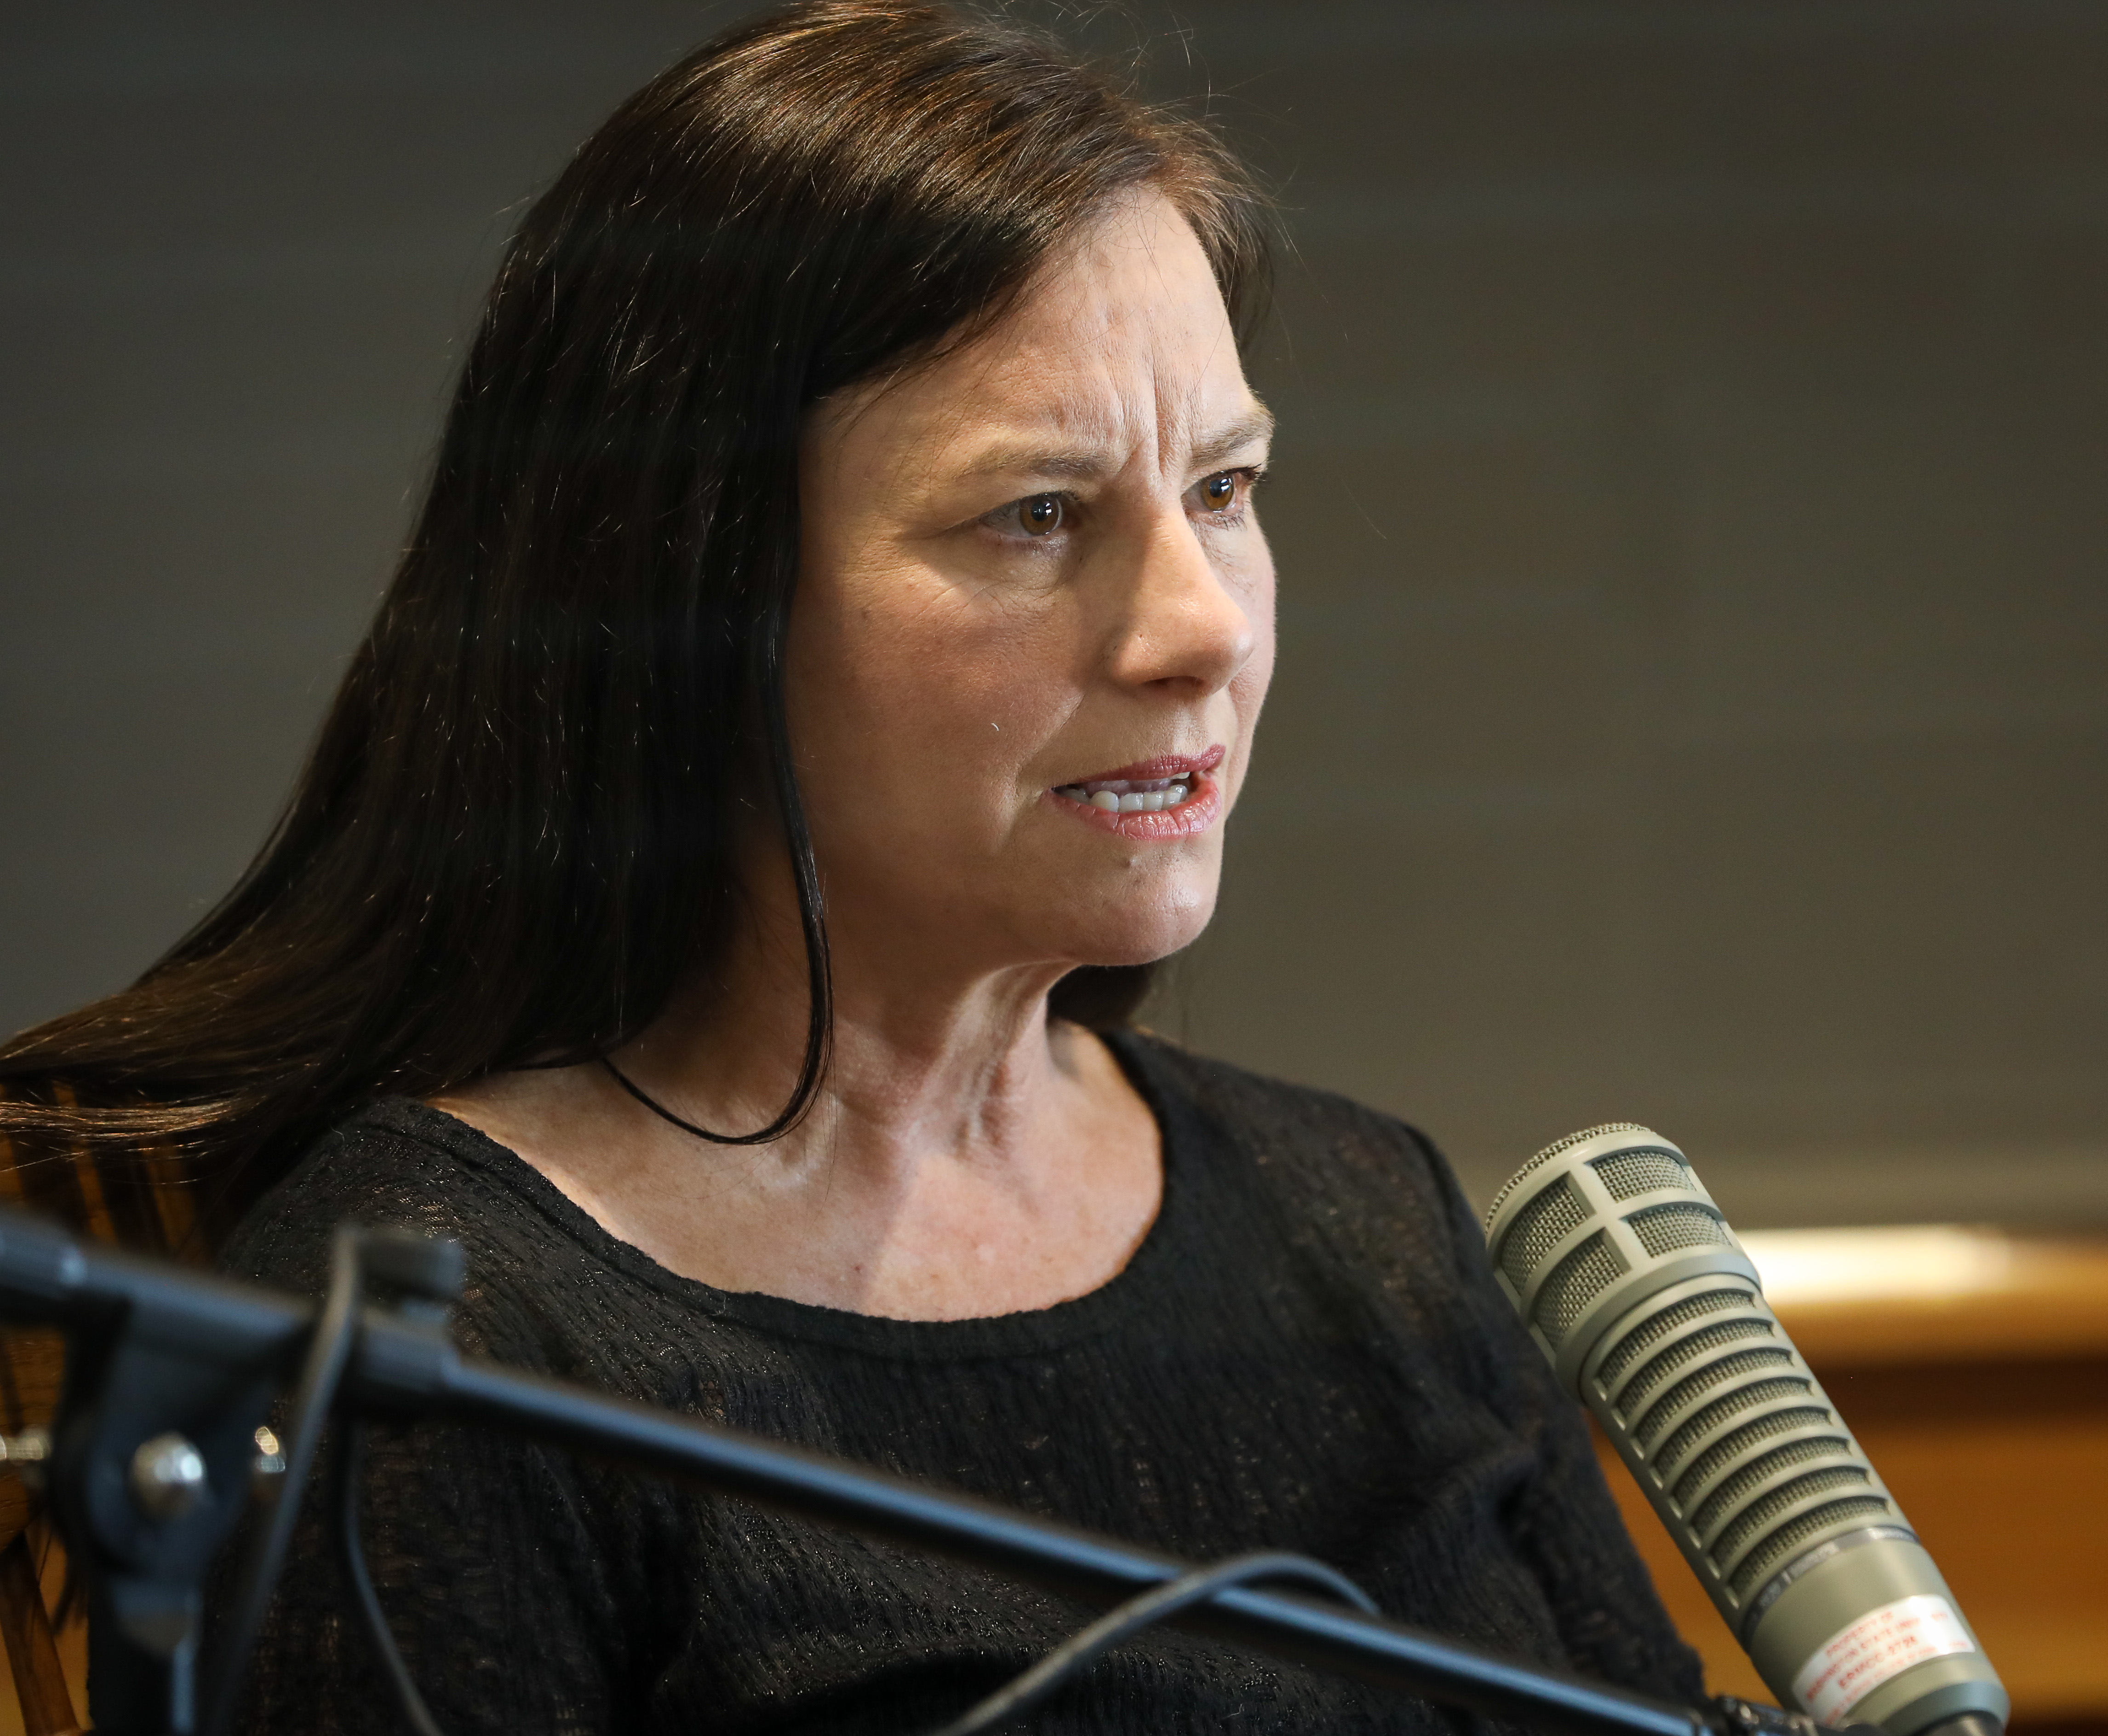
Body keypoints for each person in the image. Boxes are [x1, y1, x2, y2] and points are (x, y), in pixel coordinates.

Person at [0, 3, 1704, 1730]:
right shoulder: (447, 1340)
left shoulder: (1370, 1219)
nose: (1201, 630)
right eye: (1035, 515)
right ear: (685, 602)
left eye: (1226, 487)